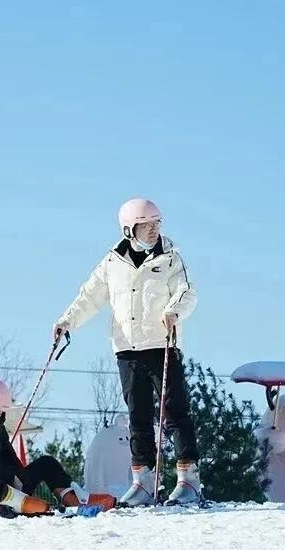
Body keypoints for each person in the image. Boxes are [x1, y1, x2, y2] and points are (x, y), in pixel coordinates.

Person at [54, 198, 201, 506]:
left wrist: (173, 311)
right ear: (128, 230)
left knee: (174, 412)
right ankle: (143, 482)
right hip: (127, 349)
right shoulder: (112, 262)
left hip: (162, 344)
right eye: (145, 226)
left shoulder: (170, 257)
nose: (153, 230)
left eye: (156, 224)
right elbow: (90, 296)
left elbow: (186, 291)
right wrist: (67, 321)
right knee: (138, 416)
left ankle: (189, 480)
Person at [0, 375, 117, 517]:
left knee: (46, 463)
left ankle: (73, 498)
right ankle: (8, 502)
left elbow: (10, 460)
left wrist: (22, 486)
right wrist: (16, 499)